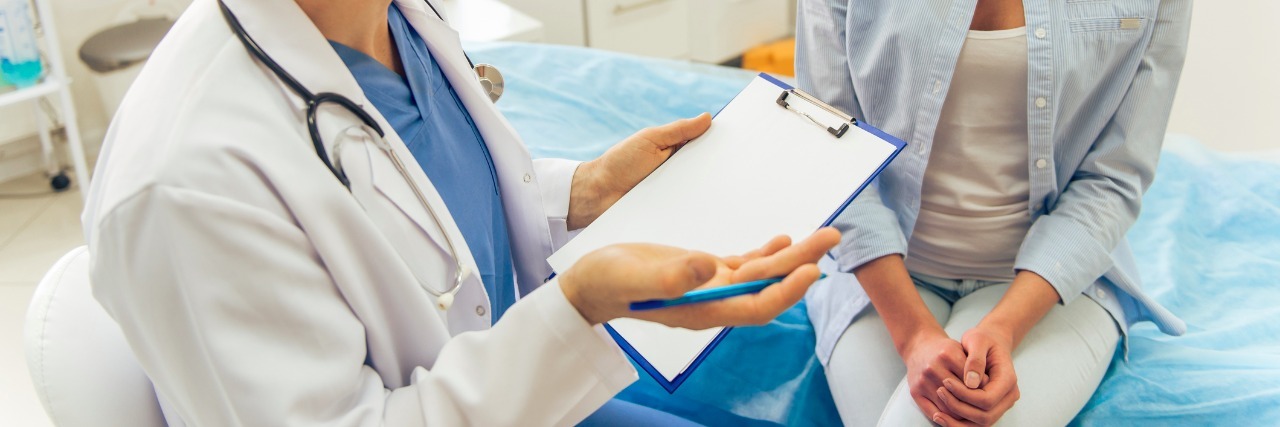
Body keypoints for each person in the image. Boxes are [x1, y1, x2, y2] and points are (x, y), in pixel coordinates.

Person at [81, 0, 841, 425]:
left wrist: (582, 190)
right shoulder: (186, 181)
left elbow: (423, 206)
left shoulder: (396, 17)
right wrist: (576, 311)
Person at [795, 0, 1192, 425]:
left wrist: (1004, 327)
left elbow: (1113, 179)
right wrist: (914, 336)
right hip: (883, 278)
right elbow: (832, 156)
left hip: (1049, 289)